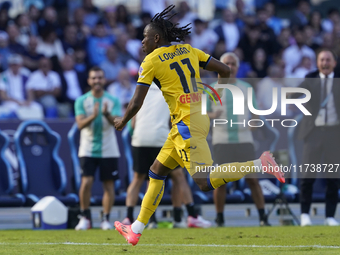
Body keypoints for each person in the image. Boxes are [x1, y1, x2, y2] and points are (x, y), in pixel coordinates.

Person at [113, 5, 284, 246]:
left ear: (156, 38)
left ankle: (260, 163)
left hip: (186, 124)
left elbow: (136, 102)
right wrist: (216, 97)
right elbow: (224, 70)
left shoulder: (150, 61)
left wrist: (123, 120)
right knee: (157, 171)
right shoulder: (188, 49)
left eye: (145, 37)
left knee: (203, 181)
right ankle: (136, 229)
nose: (142, 42)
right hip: (194, 117)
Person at [123, 82, 211, 229]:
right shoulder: (174, 87)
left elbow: (133, 122)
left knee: (140, 179)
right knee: (178, 176)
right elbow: (176, 118)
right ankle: (189, 216)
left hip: (140, 138)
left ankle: (132, 217)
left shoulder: (141, 88)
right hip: (161, 138)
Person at [208, 52, 269, 227]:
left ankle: (263, 217)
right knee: (221, 181)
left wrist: (255, 121)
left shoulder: (246, 88)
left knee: (252, 179)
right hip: (221, 141)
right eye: (227, 63)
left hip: (244, 139)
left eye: (233, 63)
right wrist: (213, 114)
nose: (230, 66)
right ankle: (219, 218)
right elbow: (202, 113)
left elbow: (256, 112)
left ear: (238, 66)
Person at [291, 49, 340, 227]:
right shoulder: (310, 78)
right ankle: (305, 214)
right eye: (321, 60)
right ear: (317, 62)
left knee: (333, 177)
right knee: (307, 176)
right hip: (313, 133)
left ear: (334, 63)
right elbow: (293, 95)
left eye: (328, 60)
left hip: (335, 133)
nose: (325, 63)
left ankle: (330, 216)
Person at [74, 66, 121, 230]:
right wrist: (94, 116)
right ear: (89, 81)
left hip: (109, 148)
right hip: (87, 148)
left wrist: (107, 114)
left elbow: (118, 124)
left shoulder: (113, 100)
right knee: (86, 182)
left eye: (100, 78)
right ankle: (85, 217)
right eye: (94, 78)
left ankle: (106, 219)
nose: (97, 81)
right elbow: (79, 124)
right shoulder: (81, 100)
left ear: (104, 80)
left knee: (109, 185)